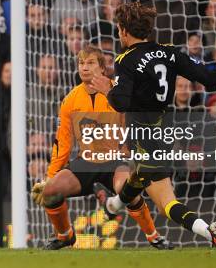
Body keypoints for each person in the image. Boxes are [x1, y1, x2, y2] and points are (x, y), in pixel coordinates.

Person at [89, 2, 216, 250]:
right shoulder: (170, 52)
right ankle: (114, 205)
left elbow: (120, 103)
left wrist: (108, 89)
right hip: (162, 135)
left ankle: (208, 232)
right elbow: (205, 77)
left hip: (140, 137)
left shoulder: (125, 60)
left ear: (123, 30)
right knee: (149, 186)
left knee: (162, 200)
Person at [32, 45, 170, 250]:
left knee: (126, 190)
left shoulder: (117, 92)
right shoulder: (70, 100)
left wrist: (129, 151)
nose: (84, 68)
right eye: (81, 63)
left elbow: (134, 125)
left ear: (103, 68)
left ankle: (153, 235)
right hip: (86, 161)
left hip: (116, 161)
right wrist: (51, 175)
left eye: (90, 63)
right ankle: (65, 235)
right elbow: (62, 141)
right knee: (50, 191)